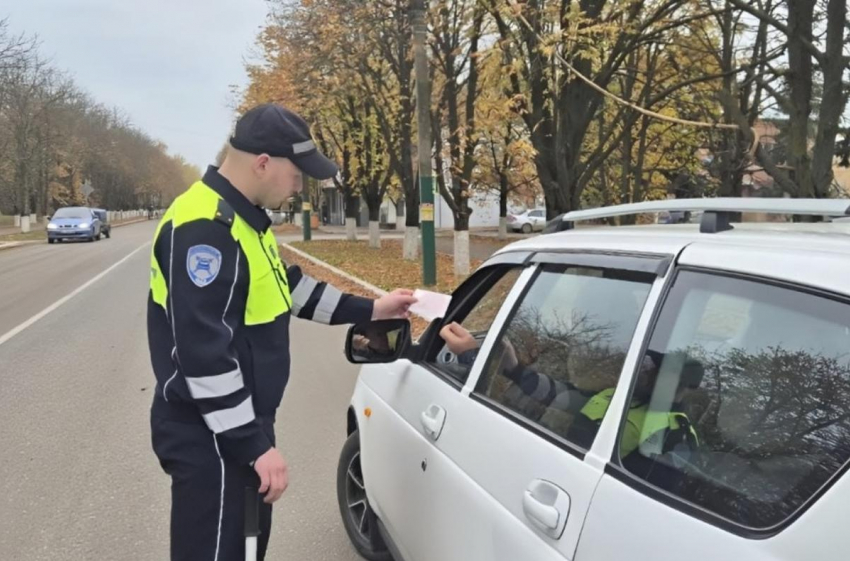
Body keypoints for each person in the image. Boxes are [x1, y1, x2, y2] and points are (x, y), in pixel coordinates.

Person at [147, 103, 417, 561]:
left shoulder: (244, 218)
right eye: (298, 174)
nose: (301, 185)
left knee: (246, 550)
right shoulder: (205, 228)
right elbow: (202, 353)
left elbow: (286, 287)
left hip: (235, 426)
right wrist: (252, 445)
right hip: (210, 433)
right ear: (263, 163)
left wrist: (371, 307)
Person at [439, 322, 701, 458]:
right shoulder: (619, 399)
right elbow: (558, 396)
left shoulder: (677, 435)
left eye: (658, 371)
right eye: (651, 367)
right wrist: (514, 369)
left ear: (683, 387)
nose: (647, 370)